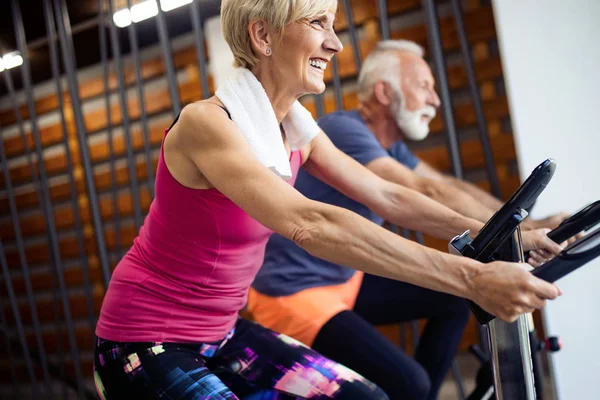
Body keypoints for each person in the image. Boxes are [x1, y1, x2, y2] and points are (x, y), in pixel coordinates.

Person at [93, 1, 564, 398]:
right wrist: (472, 278)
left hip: (223, 332)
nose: (336, 44)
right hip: (143, 339)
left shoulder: (296, 128)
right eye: (319, 23)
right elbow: (310, 222)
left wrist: (508, 233)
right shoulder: (207, 124)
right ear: (263, 35)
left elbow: (387, 196)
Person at [248, 40, 567, 400]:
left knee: (452, 300)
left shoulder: (389, 146)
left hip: (343, 277)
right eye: (424, 87)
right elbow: (421, 192)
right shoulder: (342, 130)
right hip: (294, 291)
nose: (435, 100)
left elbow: (444, 184)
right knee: (409, 383)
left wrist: (525, 223)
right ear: (384, 92)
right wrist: (519, 230)